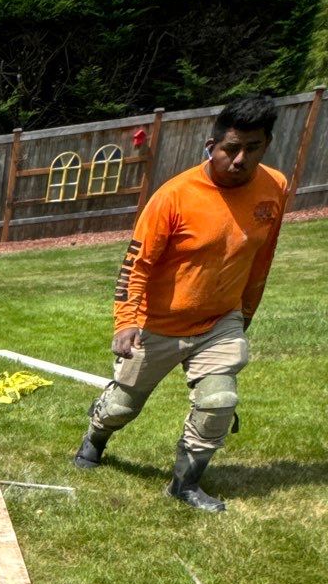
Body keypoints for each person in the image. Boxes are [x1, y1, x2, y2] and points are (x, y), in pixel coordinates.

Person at [72, 94, 287, 512]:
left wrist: (244, 314)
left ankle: (185, 483)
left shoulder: (274, 187)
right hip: (159, 323)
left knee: (218, 401)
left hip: (219, 320)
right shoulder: (174, 196)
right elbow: (137, 264)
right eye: (231, 149)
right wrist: (127, 320)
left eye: (253, 148)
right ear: (212, 145)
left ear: (267, 144)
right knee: (122, 405)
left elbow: (263, 256)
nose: (240, 159)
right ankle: (95, 437)